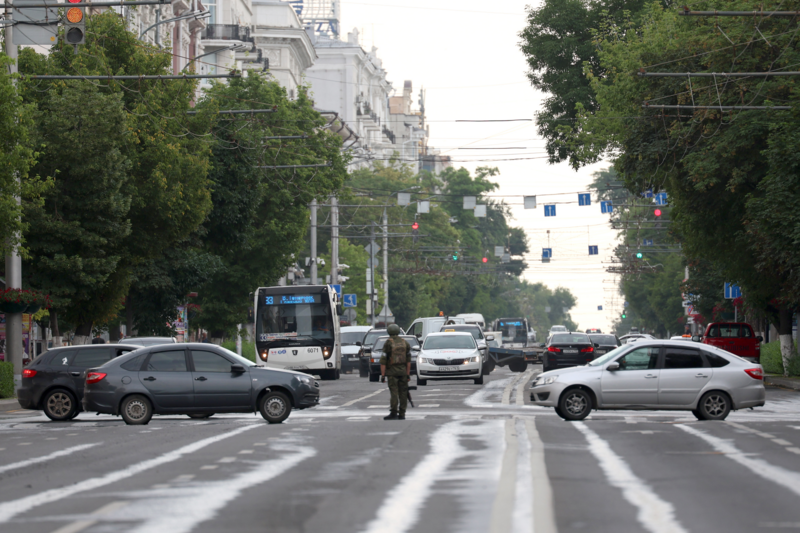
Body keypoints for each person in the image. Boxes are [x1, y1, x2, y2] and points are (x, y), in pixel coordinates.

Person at [379, 323, 411, 420]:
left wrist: (383, 375)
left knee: (394, 393)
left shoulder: (388, 343)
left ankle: (393, 412)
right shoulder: (405, 343)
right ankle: (402, 413)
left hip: (392, 373)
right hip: (403, 372)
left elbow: (383, 360)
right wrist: (408, 374)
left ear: (389, 331)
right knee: (403, 393)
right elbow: (408, 360)